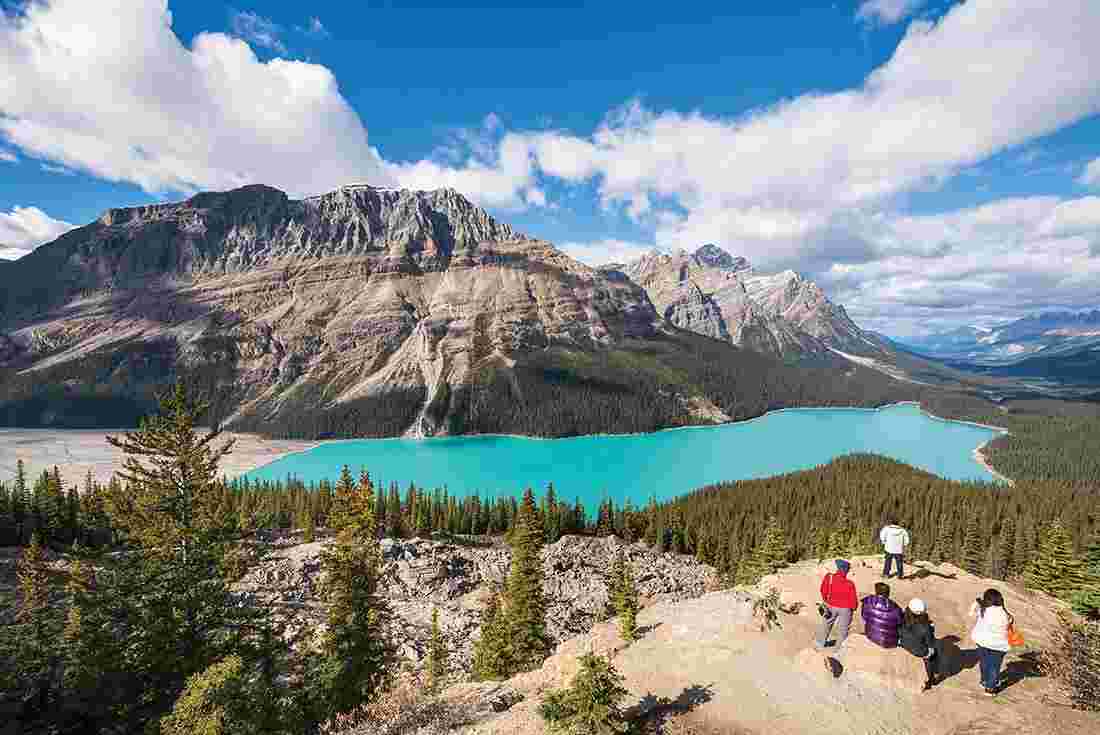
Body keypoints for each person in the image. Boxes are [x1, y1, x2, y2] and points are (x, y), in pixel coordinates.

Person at [815, 559, 858, 675]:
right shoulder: (850, 584)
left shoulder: (829, 578)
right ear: (846, 571)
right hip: (845, 608)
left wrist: (826, 600)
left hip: (830, 605)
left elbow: (823, 590)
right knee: (843, 630)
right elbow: (853, 600)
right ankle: (838, 652)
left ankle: (819, 645)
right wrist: (853, 608)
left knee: (826, 624)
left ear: (838, 568)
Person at [969, 588, 1012, 696]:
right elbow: (1010, 623)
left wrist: (977, 603)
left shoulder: (984, 610)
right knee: (994, 666)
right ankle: (990, 688)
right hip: (998, 645)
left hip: (982, 641)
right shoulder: (1006, 615)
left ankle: (984, 681)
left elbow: (971, 613)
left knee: (984, 662)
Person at [899, 598, 941, 691]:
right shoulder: (926, 627)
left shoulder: (902, 617)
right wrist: (931, 628)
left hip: (904, 643)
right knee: (933, 655)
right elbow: (930, 643)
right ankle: (932, 678)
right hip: (919, 650)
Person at [861, 582, 904, 648]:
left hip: (871, 635)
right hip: (890, 642)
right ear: (888, 593)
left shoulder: (868, 601)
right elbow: (900, 623)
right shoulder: (896, 608)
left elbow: (864, 617)